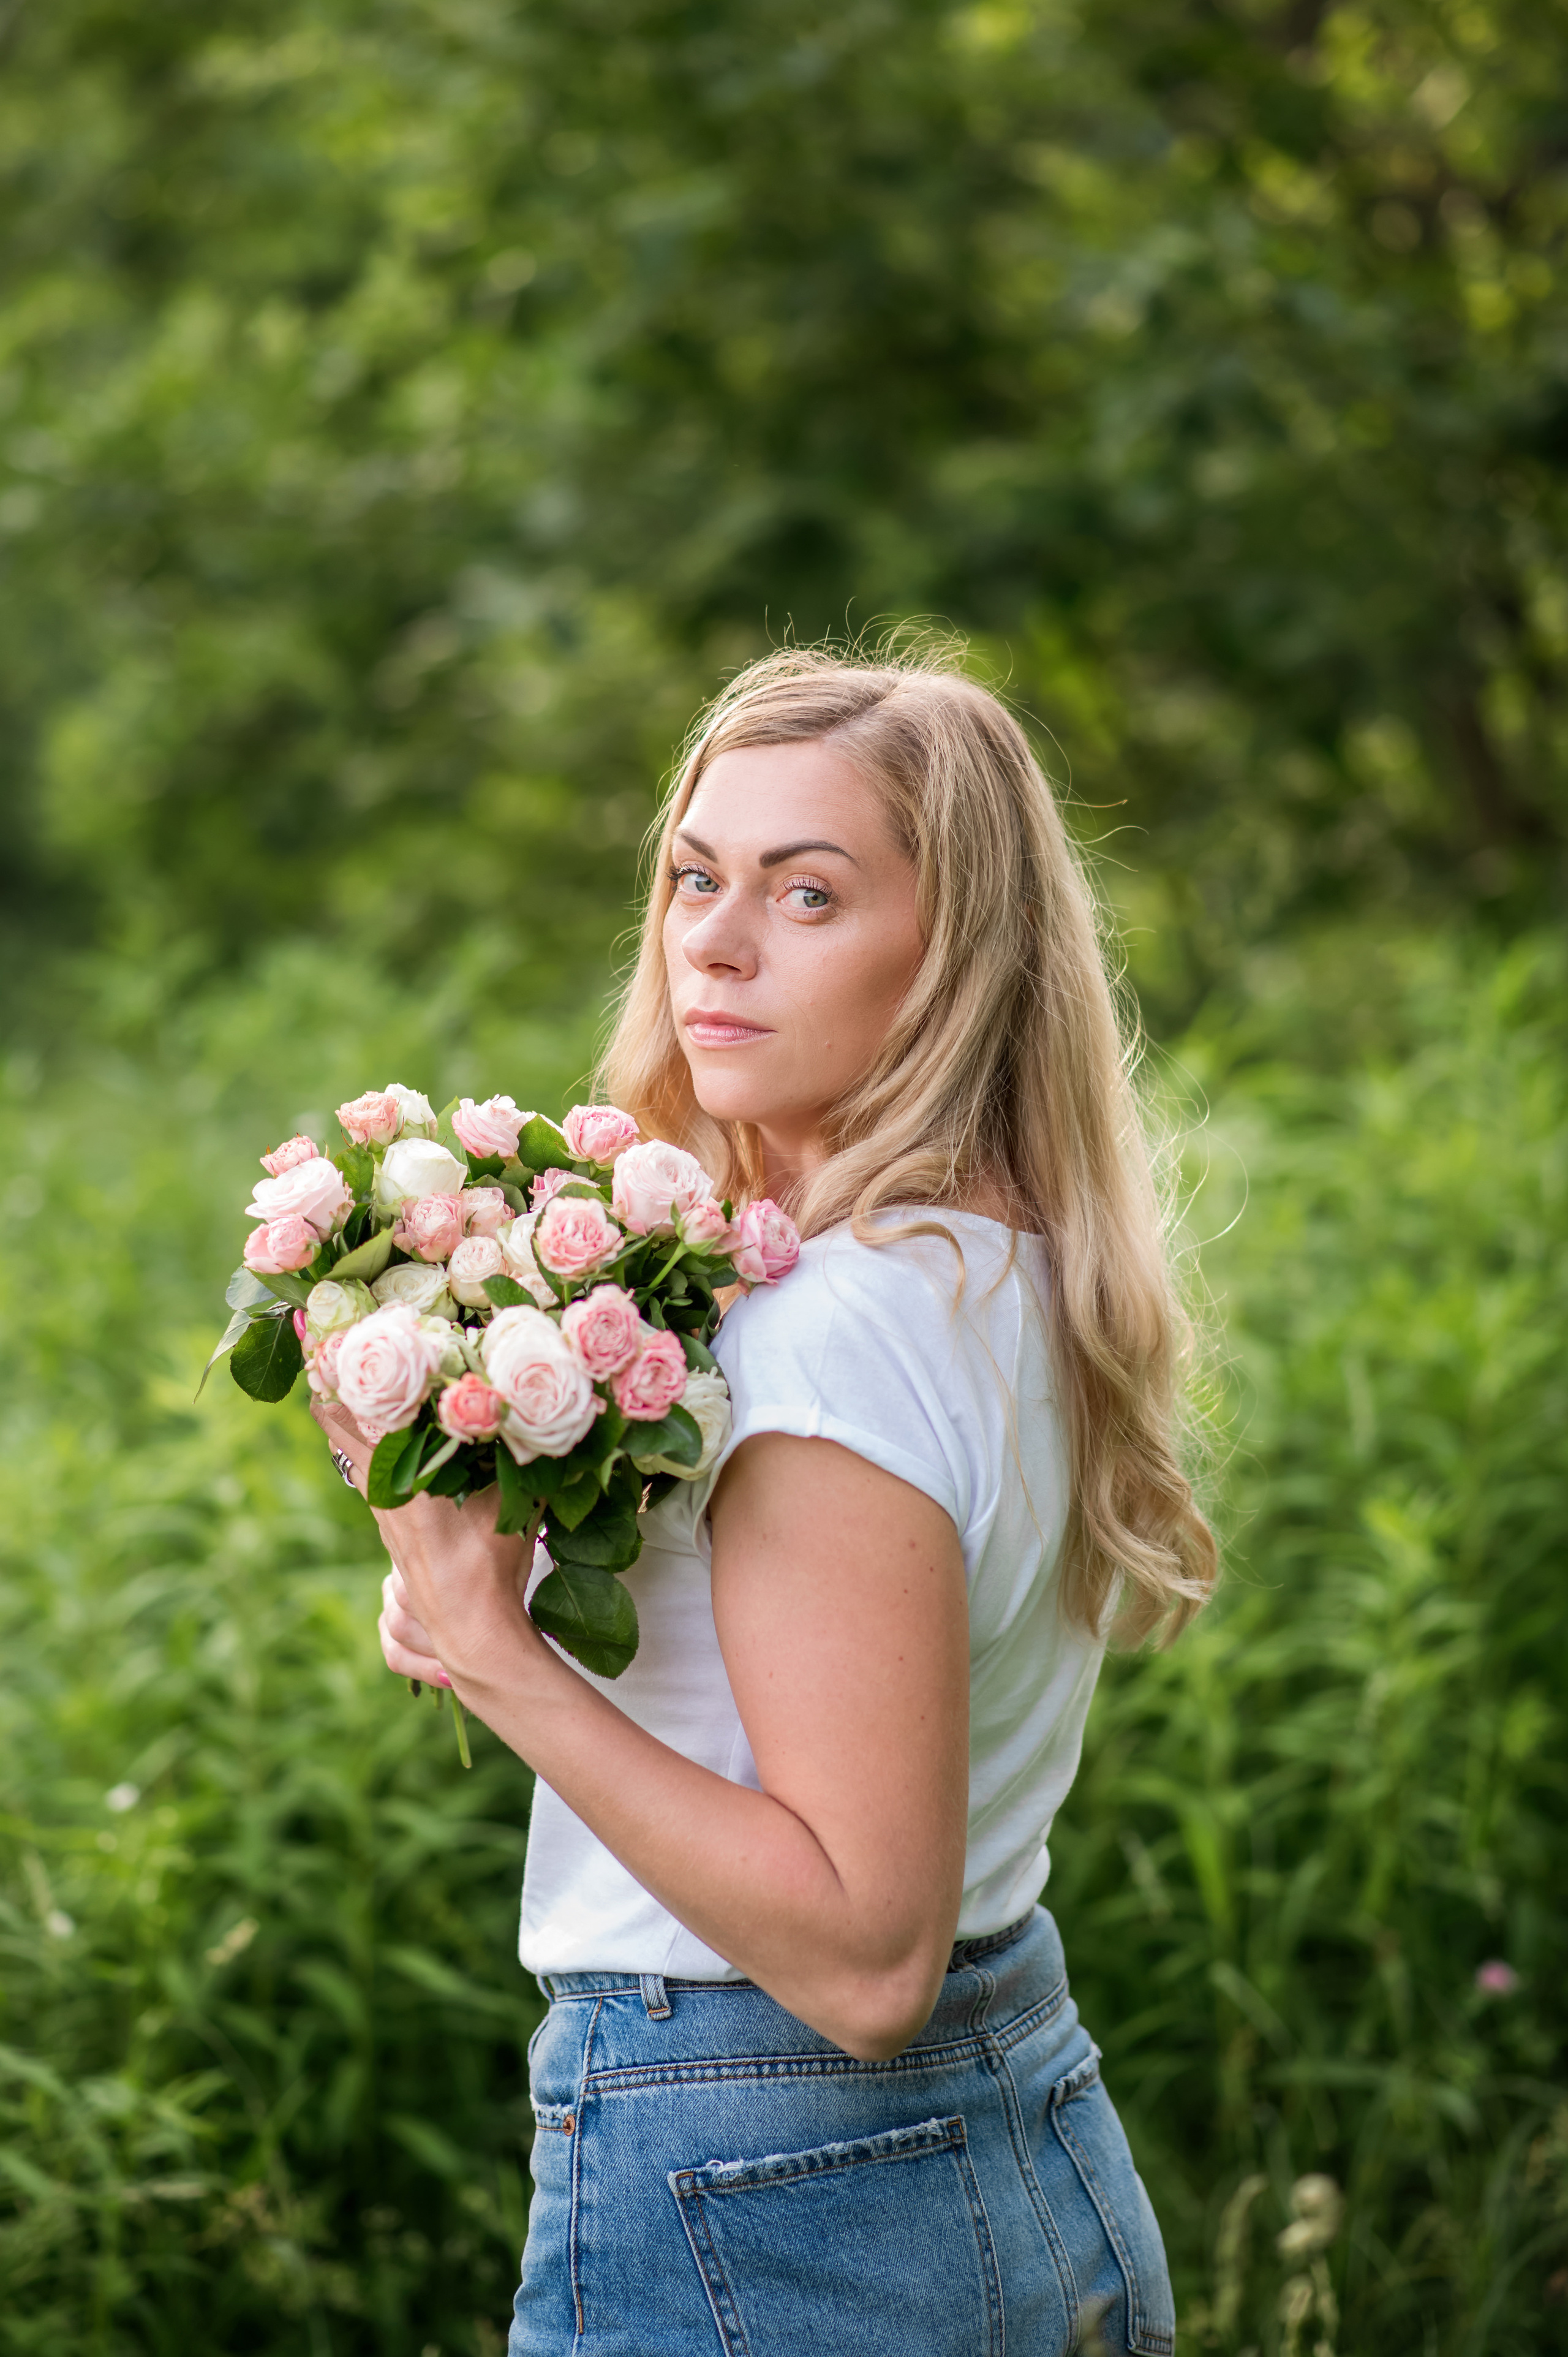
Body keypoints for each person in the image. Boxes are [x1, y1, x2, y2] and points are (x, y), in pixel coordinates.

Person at [316, 643, 1216, 2356]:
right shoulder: (991, 1270)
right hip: (1015, 2110)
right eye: (696, 876)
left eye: (810, 893)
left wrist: (491, 1651)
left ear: (956, 952)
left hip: (768, 2170)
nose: (715, 940)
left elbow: (866, 1959)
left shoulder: (826, 1342)